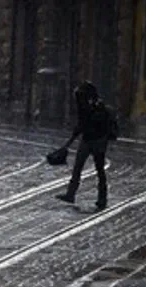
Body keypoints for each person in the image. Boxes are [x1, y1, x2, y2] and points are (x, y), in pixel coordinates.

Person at [55, 81, 113, 211]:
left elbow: (84, 124)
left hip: (96, 141)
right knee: (81, 168)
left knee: (98, 169)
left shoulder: (96, 107)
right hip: (89, 140)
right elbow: (81, 125)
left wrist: (70, 142)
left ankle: (101, 198)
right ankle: (73, 194)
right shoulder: (88, 105)